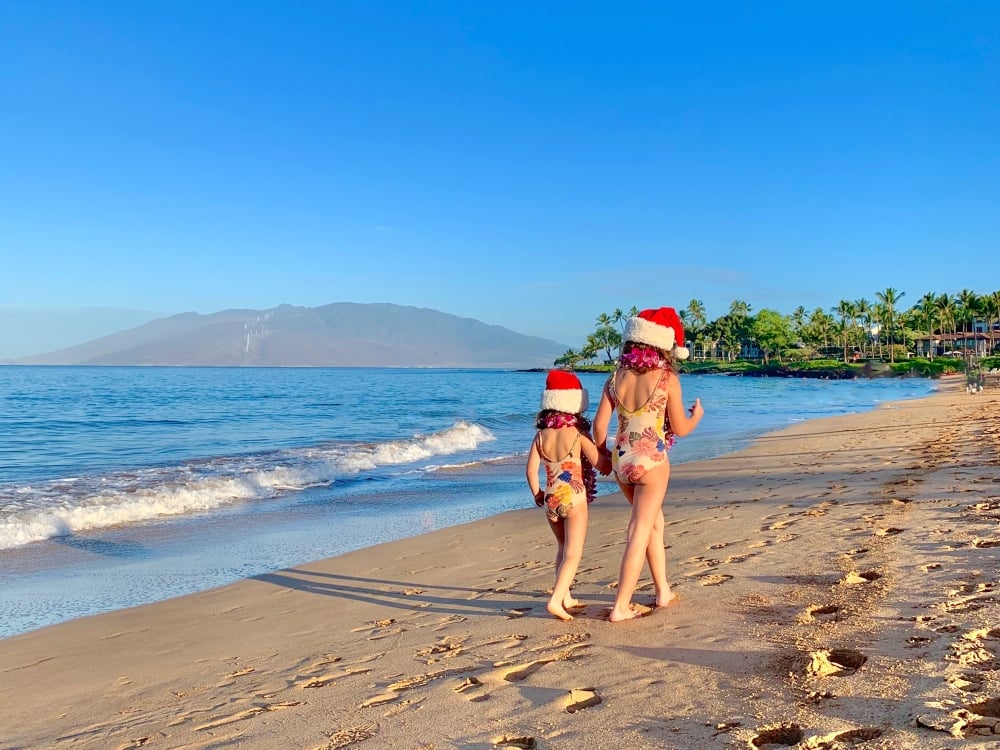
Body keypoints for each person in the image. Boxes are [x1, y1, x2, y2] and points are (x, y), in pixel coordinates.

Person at [593, 307, 704, 622]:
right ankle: (620, 605)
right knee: (639, 529)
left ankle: (662, 591)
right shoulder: (667, 379)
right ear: (662, 345)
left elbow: (599, 428)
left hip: (622, 461)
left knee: (655, 523)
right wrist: (697, 415)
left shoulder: (615, 379)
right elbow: (680, 428)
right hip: (652, 461)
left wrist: (602, 455)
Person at [525, 370, 610, 621]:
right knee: (574, 552)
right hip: (574, 498)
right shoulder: (577, 435)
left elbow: (530, 471)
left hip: (550, 498)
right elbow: (601, 465)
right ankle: (555, 599)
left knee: (562, 547)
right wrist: (613, 455)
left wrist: (537, 493)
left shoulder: (540, 436)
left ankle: (566, 596)